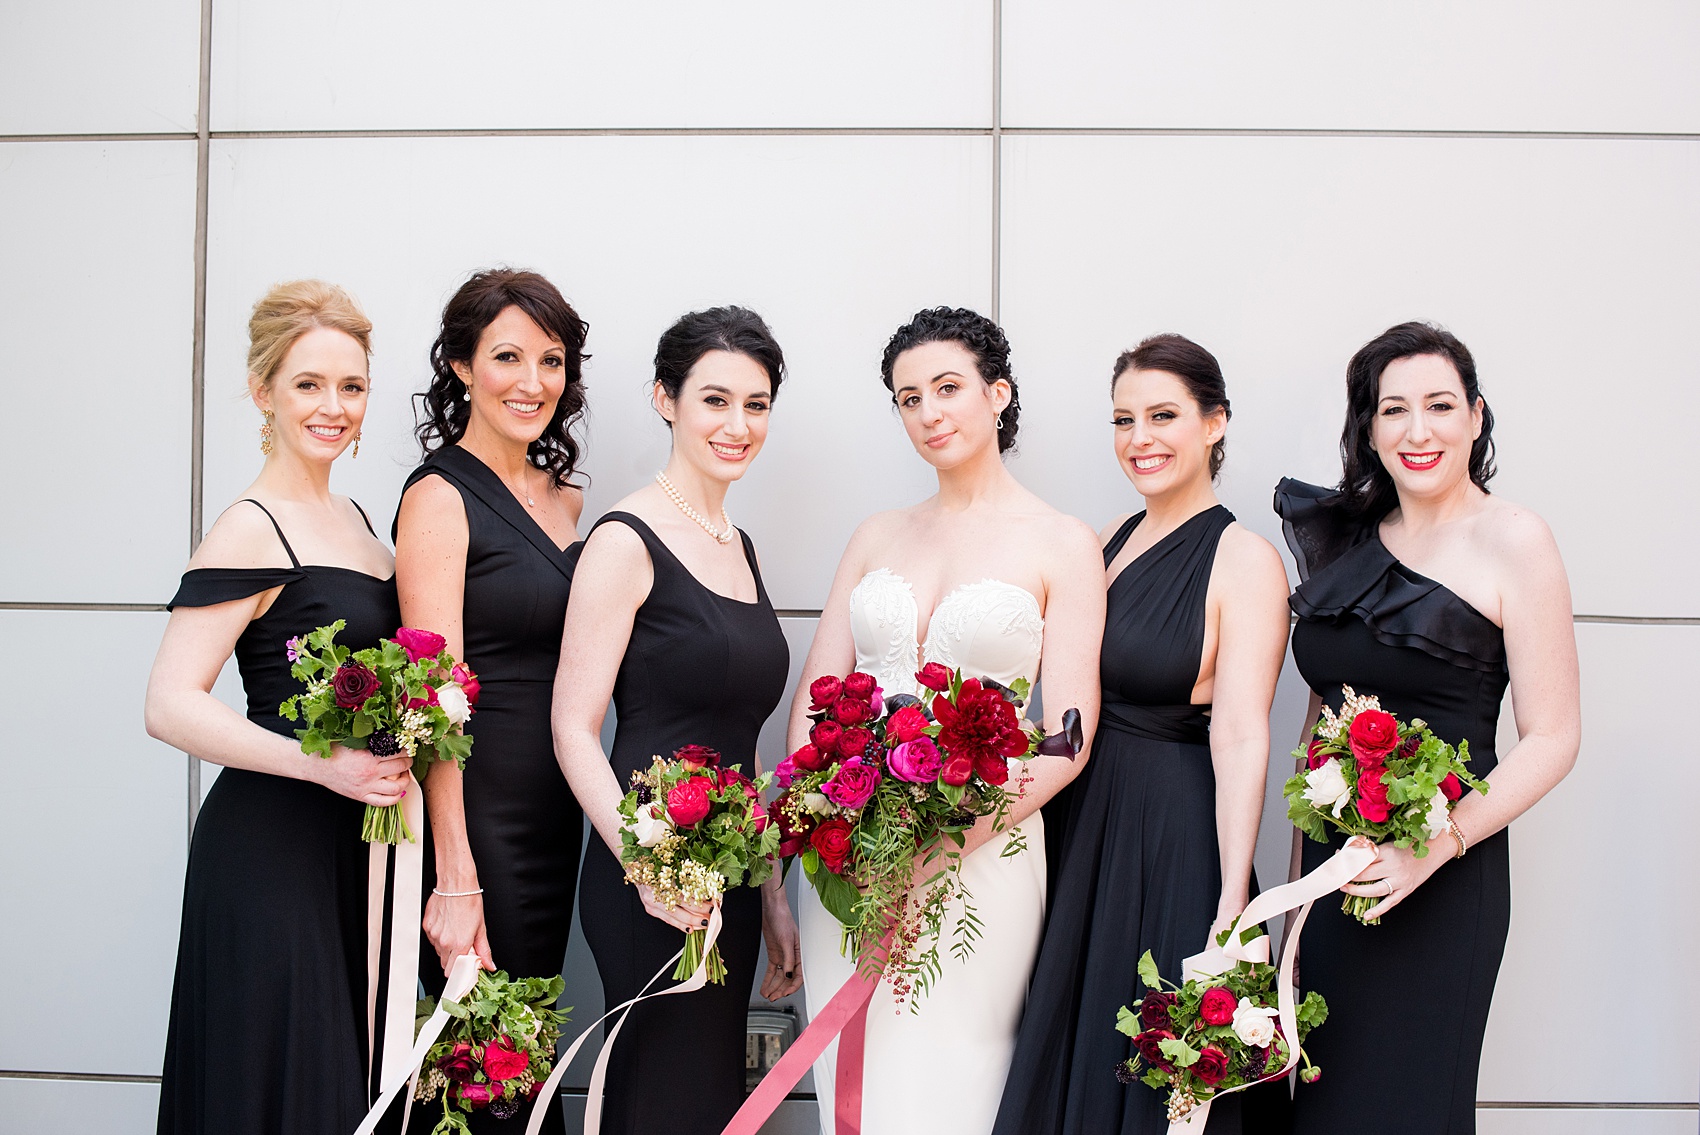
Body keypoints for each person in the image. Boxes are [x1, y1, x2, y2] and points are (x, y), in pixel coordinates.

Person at [794, 307, 1105, 1135]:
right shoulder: (875, 533)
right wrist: (828, 825)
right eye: (907, 398)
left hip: (982, 858)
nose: (928, 412)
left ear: (997, 393)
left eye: (947, 388)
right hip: (847, 861)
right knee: (848, 1086)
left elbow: (1071, 737)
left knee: (956, 1084)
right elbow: (815, 698)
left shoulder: (1063, 542)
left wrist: (942, 841)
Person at [1276, 322, 1580, 1134]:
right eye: (1394, 410)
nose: (1418, 430)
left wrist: (1435, 845)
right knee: (1323, 1110)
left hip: (1446, 873)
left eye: (1440, 405)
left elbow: (1553, 735)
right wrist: (1298, 904)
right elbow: (1318, 729)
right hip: (1334, 882)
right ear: (1369, 428)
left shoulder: (1516, 538)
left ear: (1476, 417)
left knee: (1404, 1108)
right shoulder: (1347, 539)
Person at [995, 334, 1291, 1134]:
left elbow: (1239, 733)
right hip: (1081, 822)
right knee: (1071, 1045)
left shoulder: (1246, 558)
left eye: (1164, 415)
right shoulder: (1109, 539)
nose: (1140, 438)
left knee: (1158, 1066)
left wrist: (1233, 899)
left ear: (1215, 422)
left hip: (1173, 836)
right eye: (1124, 419)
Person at [147, 281, 404, 1133]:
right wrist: (317, 763)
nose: (334, 406)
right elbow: (170, 704)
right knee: (283, 1084)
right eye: (308, 384)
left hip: (355, 847)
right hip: (269, 852)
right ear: (263, 391)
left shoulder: (364, 523)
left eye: (352, 386)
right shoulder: (250, 526)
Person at [552, 307, 802, 1135]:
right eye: (715, 400)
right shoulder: (624, 539)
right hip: (643, 873)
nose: (738, 426)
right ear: (666, 398)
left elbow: (746, 746)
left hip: (727, 868)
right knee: (661, 1098)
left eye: (757, 404)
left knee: (703, 1102)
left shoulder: (741, 545)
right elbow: (572, 726)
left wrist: (770, 895)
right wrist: (644, 864)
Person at [394, 269, 589, 1133]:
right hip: (483, 821)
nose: (532, 381)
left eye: (551, 359)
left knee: (529, 1065)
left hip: (559, 814)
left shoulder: (571, 501)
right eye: (507, 356)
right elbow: (435, 702)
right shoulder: (438, 497)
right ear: (463, 366)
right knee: (480, 1073)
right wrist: (455, 871)